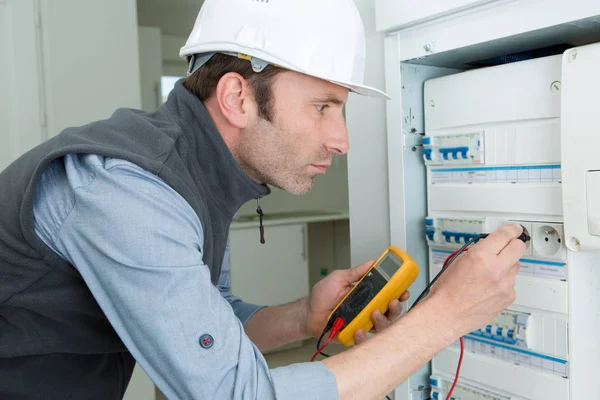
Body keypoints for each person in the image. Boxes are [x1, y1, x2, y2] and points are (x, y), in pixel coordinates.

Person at [0, 0, 526, 398]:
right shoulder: (128, 189)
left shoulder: (197, 173)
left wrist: (303, 319)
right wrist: (449, 315)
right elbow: (236, 392)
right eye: (323, 106)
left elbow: (209, 316)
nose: (341, 140)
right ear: (237, 97)